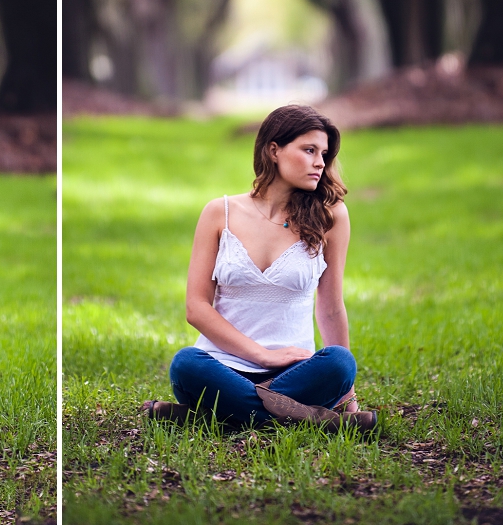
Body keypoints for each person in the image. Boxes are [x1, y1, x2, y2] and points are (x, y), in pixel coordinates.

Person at [143, 105, 376, 430]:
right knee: (186, 364)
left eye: (323, 153)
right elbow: (196, 308)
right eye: (309, 150)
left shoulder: (330, 215)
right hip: (221, 366)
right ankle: (310, 418)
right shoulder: (219, 213)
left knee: (339, 362)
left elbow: (331, 306)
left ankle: (218, 416)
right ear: (274, 150)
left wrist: (346, 393)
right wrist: (262, 356)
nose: (320, 162)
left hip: (297, 371)